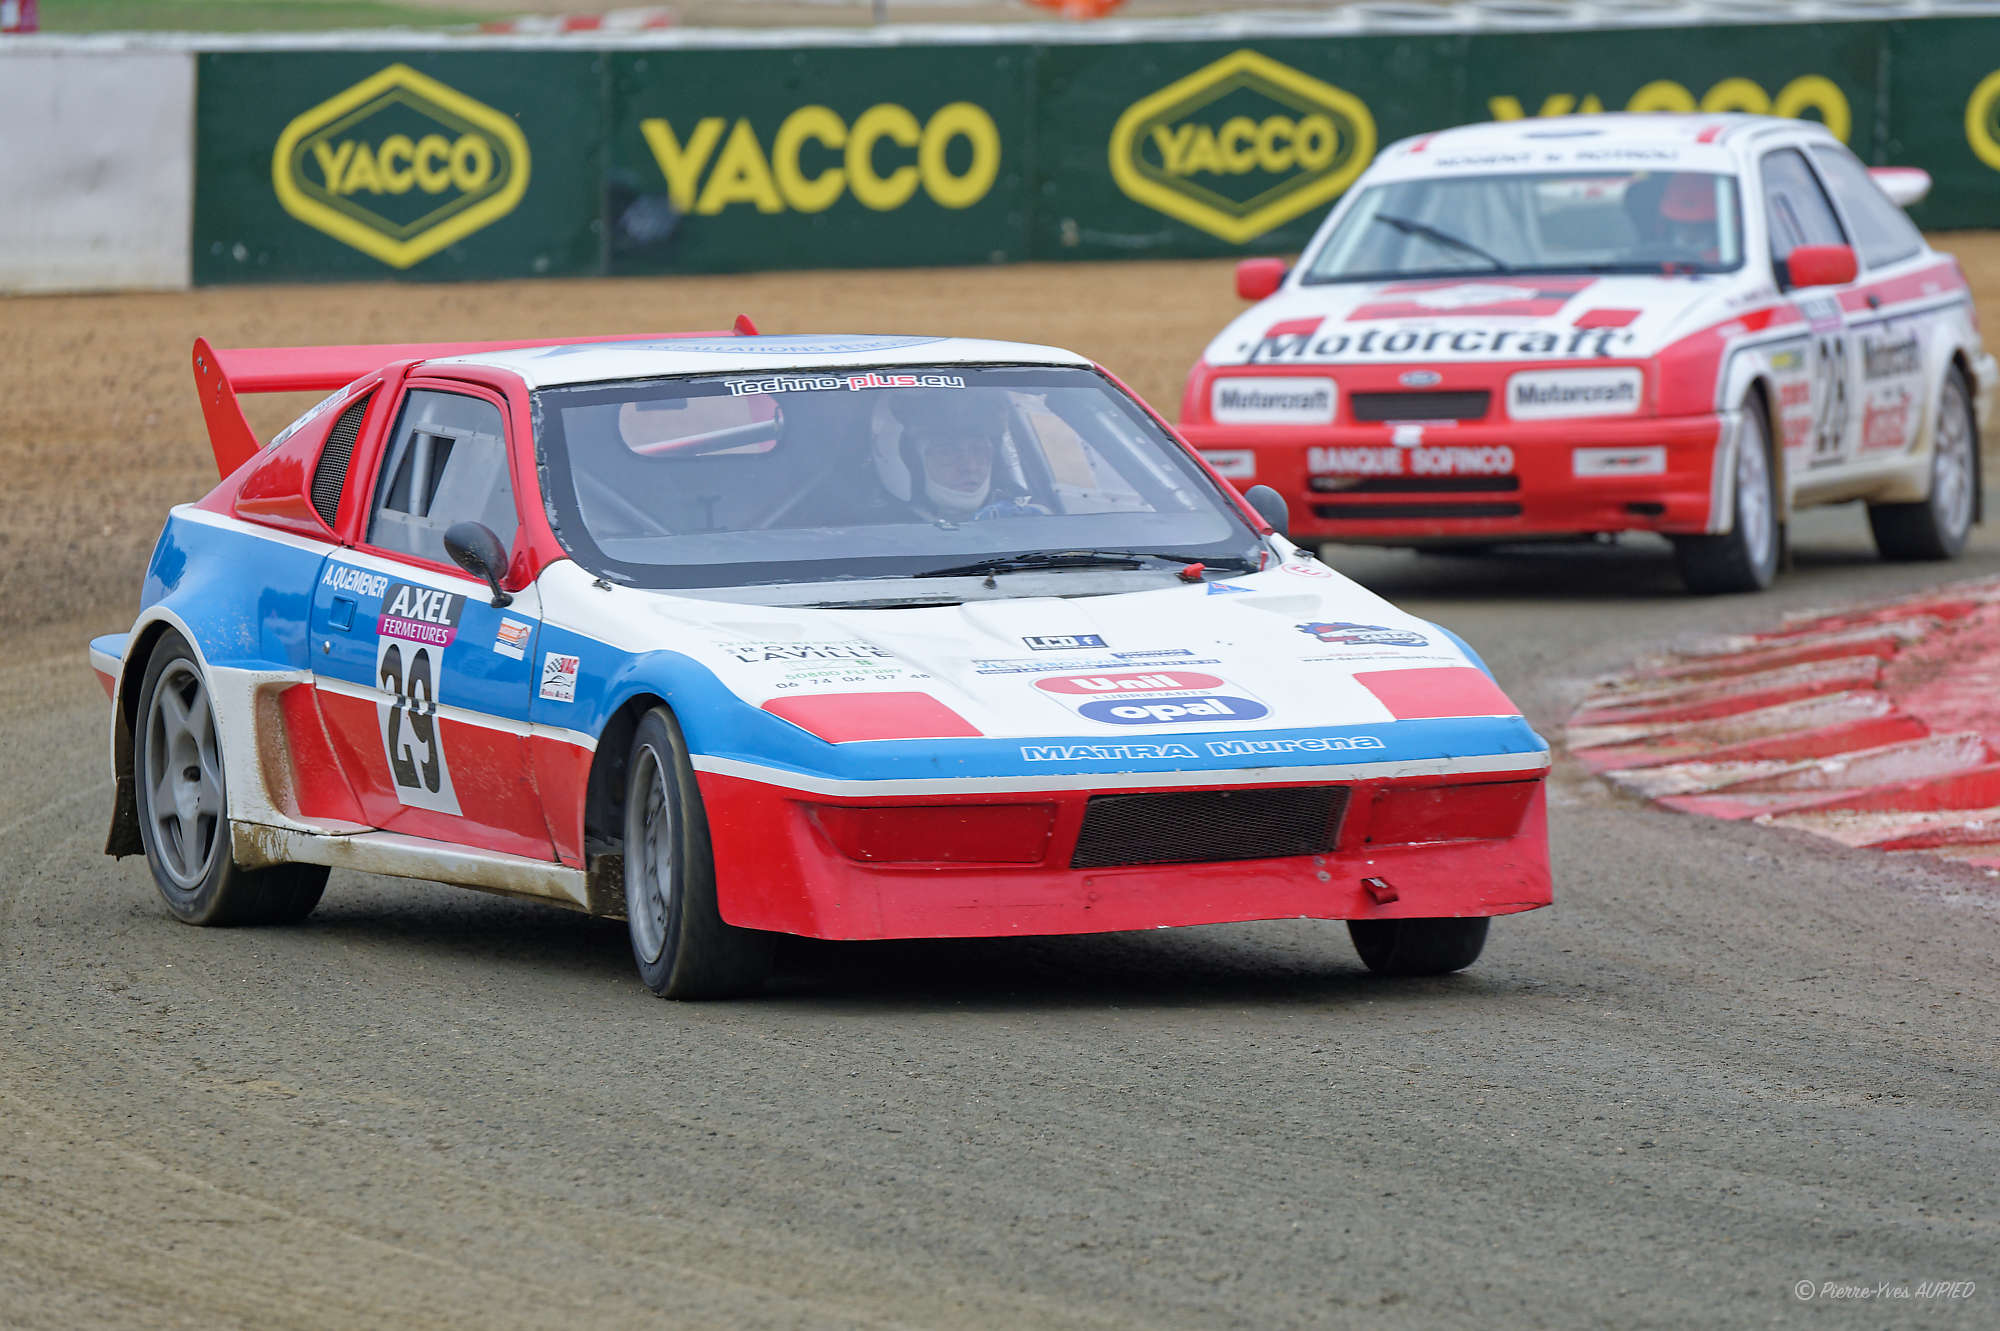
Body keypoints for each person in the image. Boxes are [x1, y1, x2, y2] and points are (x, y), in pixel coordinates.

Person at [873, 396, 1050, 522]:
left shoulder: (1028, 519)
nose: (970, 467)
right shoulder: (878, 533)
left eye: (979, 451)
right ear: (911, 463)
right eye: (946, 453)